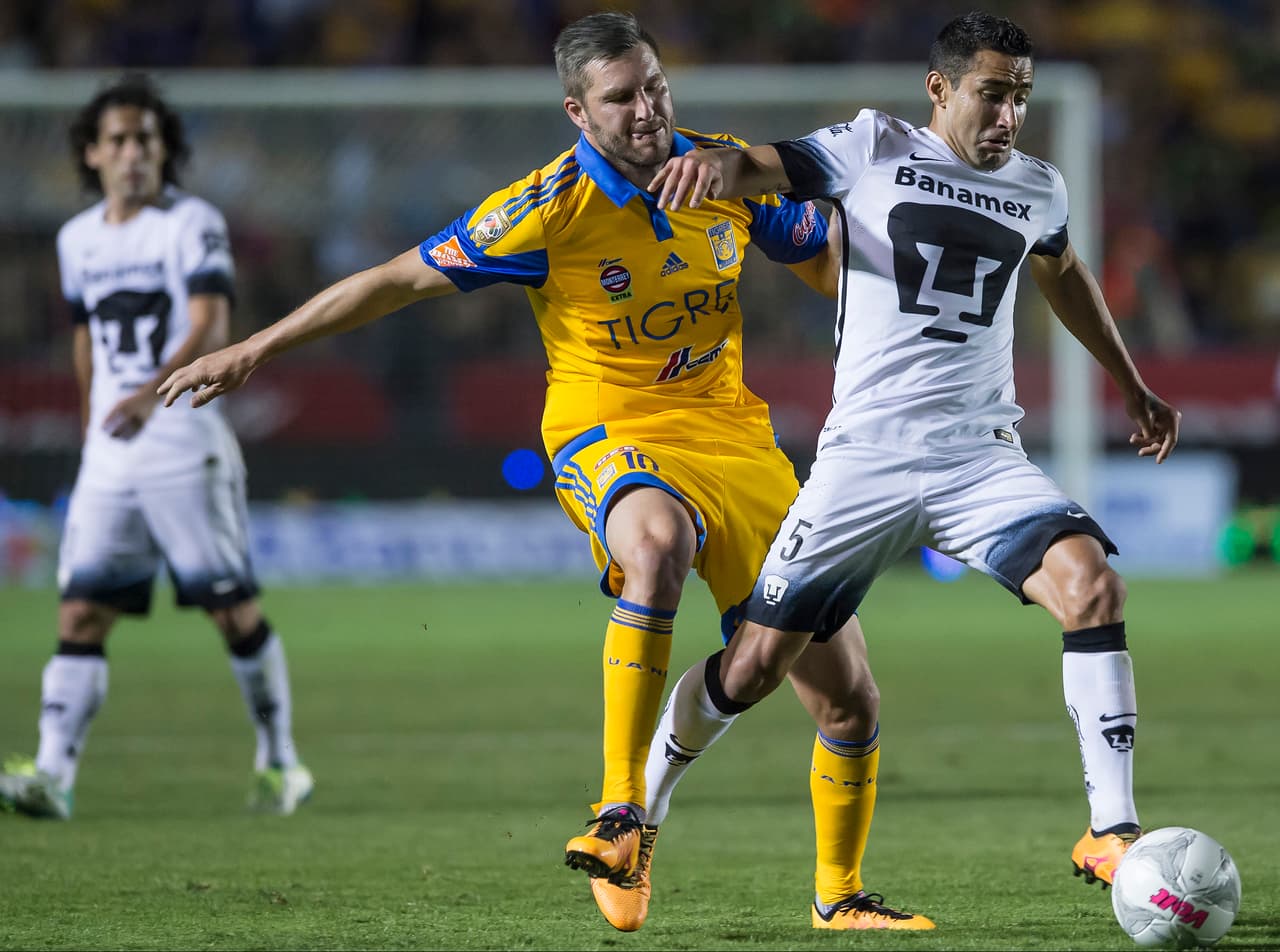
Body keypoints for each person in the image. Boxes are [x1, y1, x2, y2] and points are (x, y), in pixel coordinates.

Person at [155, 12, 933, 934]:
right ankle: (620, 815)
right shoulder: (546, 207)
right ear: (577, 110)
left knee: (845, 693)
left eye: (655, 87)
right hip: (610, 433)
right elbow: (397, 280)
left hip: (736, 438)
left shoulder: (724, 171)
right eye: (621, 98)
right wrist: (256, 346)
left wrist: (884, 325)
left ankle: (838, 896)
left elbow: (823, 258)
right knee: (656, 546)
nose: (648, 112)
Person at [646, 8, 1181, 895]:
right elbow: (765, 163)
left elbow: (1064, 272)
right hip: (865, 461)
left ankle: (1112, 830)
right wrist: (718, 164)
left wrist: (1130, 382)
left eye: (1021, 98)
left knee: (1092, 583)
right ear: (940, 89)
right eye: (991, 95)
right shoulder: (872, 145)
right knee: (754, 666)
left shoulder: (1038, 186)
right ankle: (641, 809)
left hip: (979, 456)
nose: (1008, 116)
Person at [0, 75, 313, 821]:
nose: (134, 153)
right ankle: (53, 775)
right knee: (81, 615)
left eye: (147, 139)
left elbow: (209, 319)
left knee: (229, 611)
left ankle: (281, 760)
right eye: (119, 140)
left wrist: (147, 395)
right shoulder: (76, 240)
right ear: (92, 153)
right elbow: (85, 340)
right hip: (112, 453)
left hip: (182, 438)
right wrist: (90, 425)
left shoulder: (191, 221)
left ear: (164, 150)